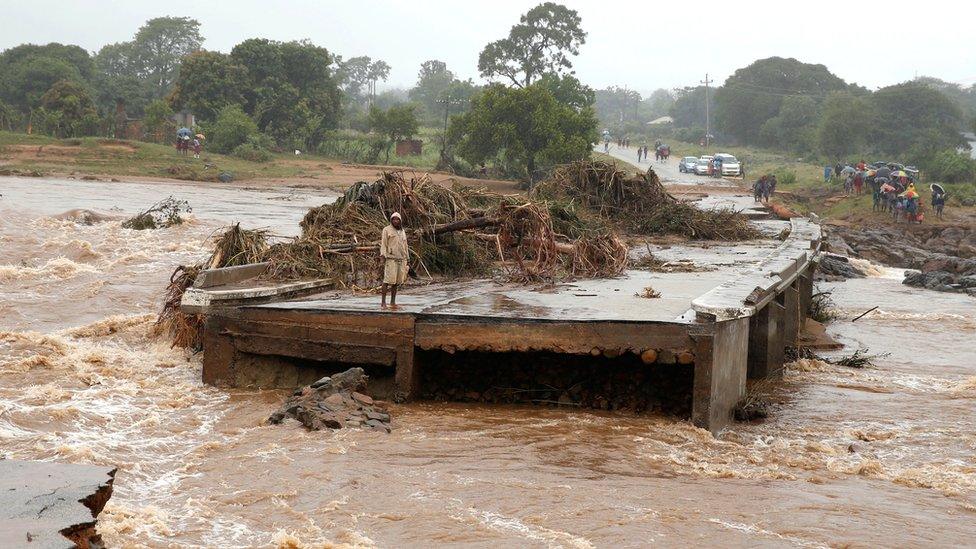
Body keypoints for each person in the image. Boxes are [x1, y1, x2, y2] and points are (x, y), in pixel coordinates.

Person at [380, 212, 409, 308]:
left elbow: (405, 245)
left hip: (401, 259)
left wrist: (407, 258)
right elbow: (384, 244)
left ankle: (392, 302)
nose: (395, 221)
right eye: (394, 219)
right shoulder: (387, 230)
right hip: (391, 259)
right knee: (387, 281)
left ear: (400, 220)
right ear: (391, 220)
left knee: (396, 282)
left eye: (397, 219)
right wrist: (382, 256)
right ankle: (383, 303)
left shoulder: (402, 231)